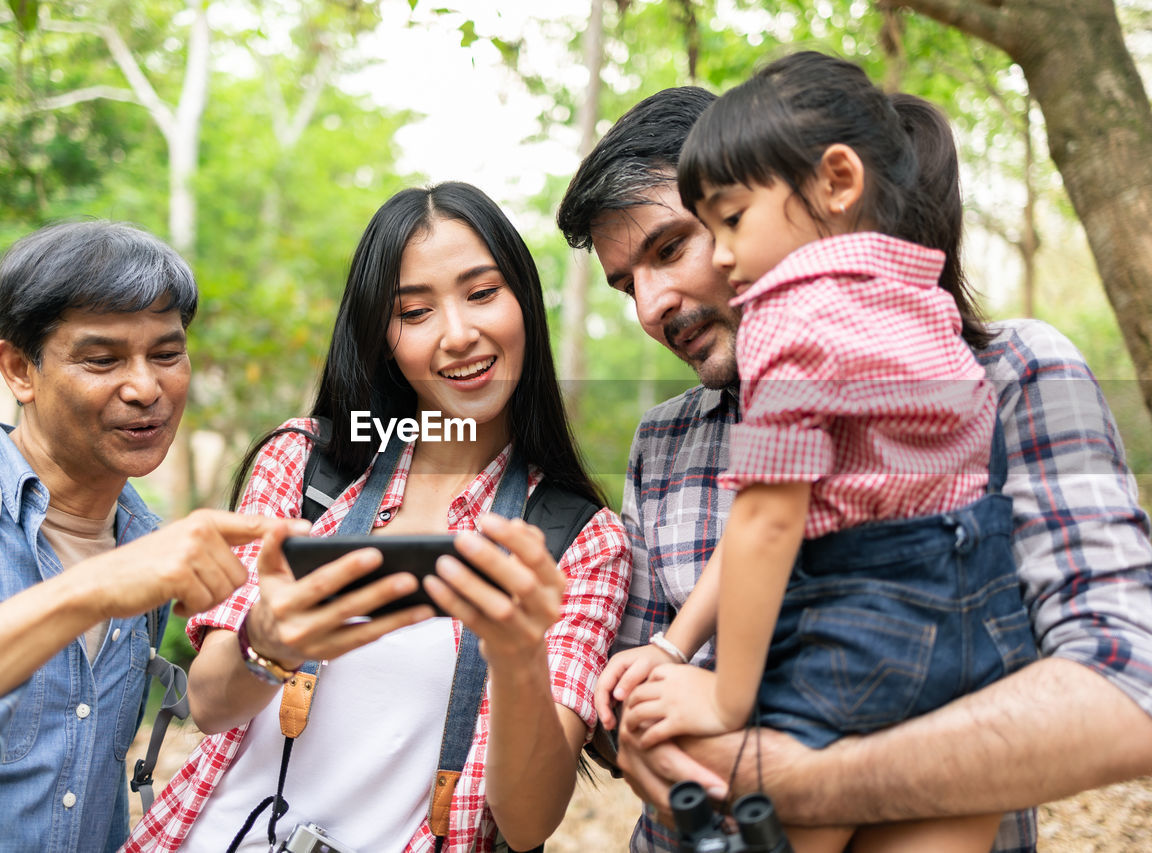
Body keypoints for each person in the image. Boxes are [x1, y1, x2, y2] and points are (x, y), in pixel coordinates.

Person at [557, 80, 1152, 852]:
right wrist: (642, 726)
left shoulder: (1014, 372)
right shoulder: (664, 444)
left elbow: (1129, 684)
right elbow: (631, 694)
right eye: (625, 282)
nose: (650, 305)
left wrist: (792, 775)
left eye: (674, 246)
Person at [125, 181, 632, 853]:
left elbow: (528, 818)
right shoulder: (305, 462)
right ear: (383, 336)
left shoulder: (579, 541)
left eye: (482, 294)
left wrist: (515, 656)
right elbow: (211, 703)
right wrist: (268, 637)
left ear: (524, 305)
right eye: (415, 312)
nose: (459, 334)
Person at [0, 220, 291, 851]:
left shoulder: (145, 544)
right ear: (19, 369)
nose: (146, 388)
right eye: (102, 360)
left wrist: (272, 639)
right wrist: (91, 591)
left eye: (167, 354)